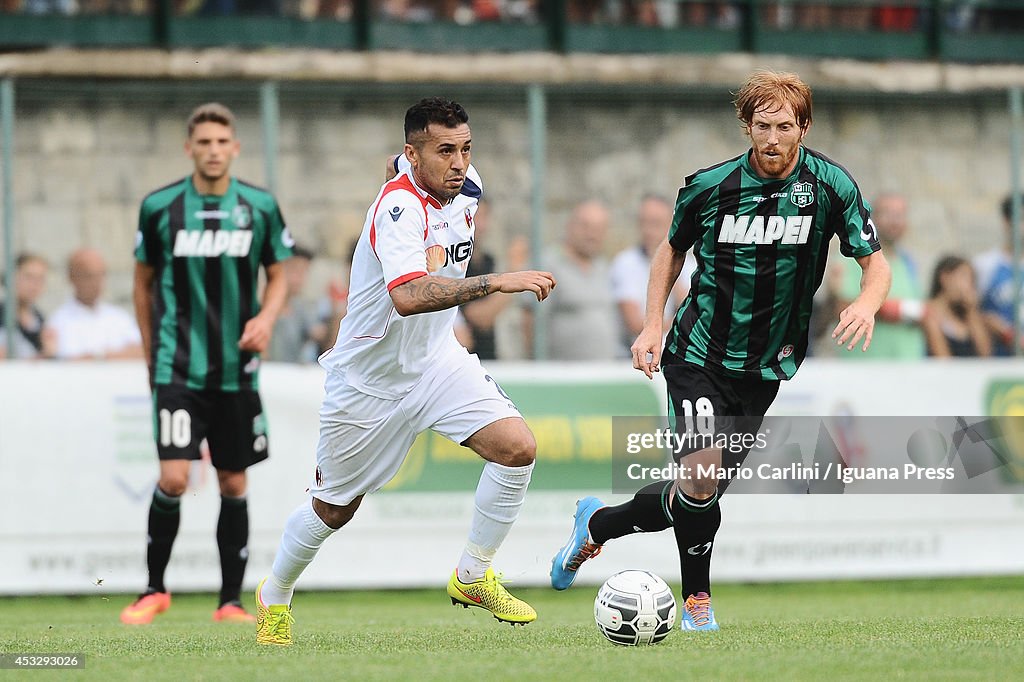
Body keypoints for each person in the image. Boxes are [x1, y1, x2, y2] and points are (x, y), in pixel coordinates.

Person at [549, 70, 891, 631]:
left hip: (766, 368)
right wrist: (652, 325)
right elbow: (670, 249)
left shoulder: (832, 186)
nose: (773, 138)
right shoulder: (710, 187)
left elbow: (874, 260)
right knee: (702, 480)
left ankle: (599, 524)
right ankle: (697, 604)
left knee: (694, 495)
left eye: (785, 126)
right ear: (747, 127)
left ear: (804, 127)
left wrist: (868, 303)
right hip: (698, 354)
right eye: (762, 126)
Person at [254, 98, 556, 646]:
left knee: (518, 447)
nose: (460, 162)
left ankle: (472, 576)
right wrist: (497, 281)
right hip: (368, 384)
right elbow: (409, 296)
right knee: (333, 510)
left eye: (465, 148)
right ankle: (275, 594)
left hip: (436, 364)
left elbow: (402, 172)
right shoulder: (397, 210)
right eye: (445, 151)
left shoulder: (466, 185)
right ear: (413, 155)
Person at [122, 102, 293, 625]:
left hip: (235, 370)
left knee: (234, 483)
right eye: (204, 143)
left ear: (235, 148)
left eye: (223, 142)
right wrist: (153, 356)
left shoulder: (260, 207)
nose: (214, 151)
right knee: (173, 479)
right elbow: (142, 284)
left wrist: (266, 318)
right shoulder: (160, 207)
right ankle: (153, 590)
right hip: (177, 368)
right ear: (189, 148)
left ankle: (230, 601)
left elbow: (279, 274)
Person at [829, 192, 926, 359]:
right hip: (865, 366)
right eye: (887, 214)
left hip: (908, 364)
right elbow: (842, 307)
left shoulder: (907, 262)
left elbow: (923, 309)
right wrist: (903, 310)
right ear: (871, 219)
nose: (894, 221)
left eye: (900, 215)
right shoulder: (852, 258)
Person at [532, 199, 620, 360]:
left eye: (598, 229)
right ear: (570, 226)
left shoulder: (604, 266)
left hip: (604, 370)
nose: (592, 235)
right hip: (561, 373)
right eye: (586, 226)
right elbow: (531, 319)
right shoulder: (548, 264)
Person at [609, 193, 696, 350]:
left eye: (656, 224)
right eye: (644, 223)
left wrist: (668, 267)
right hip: (635, 354)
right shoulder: (625, 263)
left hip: (678, 353)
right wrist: (676, 325)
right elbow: (634, 323)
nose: (648, 231)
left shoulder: (691, 265)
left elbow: (694, 313)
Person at [47, 248, 144, 361]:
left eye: (101, 275)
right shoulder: (58, 322)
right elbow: (64, 363)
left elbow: (142, 351)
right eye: (89, 276)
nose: (97, 282)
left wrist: (99, 357)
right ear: (72, 277)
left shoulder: (119, 317)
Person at [973, 194, 1023, 355]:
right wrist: (992, 323)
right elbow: (972, 312)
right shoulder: (985, 265)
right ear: (1007, 222)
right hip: (997, 364)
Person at [267, 244, 330, 363]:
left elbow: (319, 334)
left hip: (292, 377)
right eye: (295, 270)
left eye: (304, 271)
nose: (300, 278)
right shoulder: (260, 306)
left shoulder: (301, 309)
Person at [922, 256, 992, 357]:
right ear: (944, 277)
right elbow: (942, 358)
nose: (968, 285)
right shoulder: (929, 312)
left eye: (971, 279)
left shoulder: (968, 315)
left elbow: (985, 353)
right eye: (963, 277)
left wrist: (971, 310)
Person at [0, 252, 56, 360]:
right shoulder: (3, 316)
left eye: (40, 278)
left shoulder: (40, 320)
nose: (34, 284)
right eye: (28, 277)